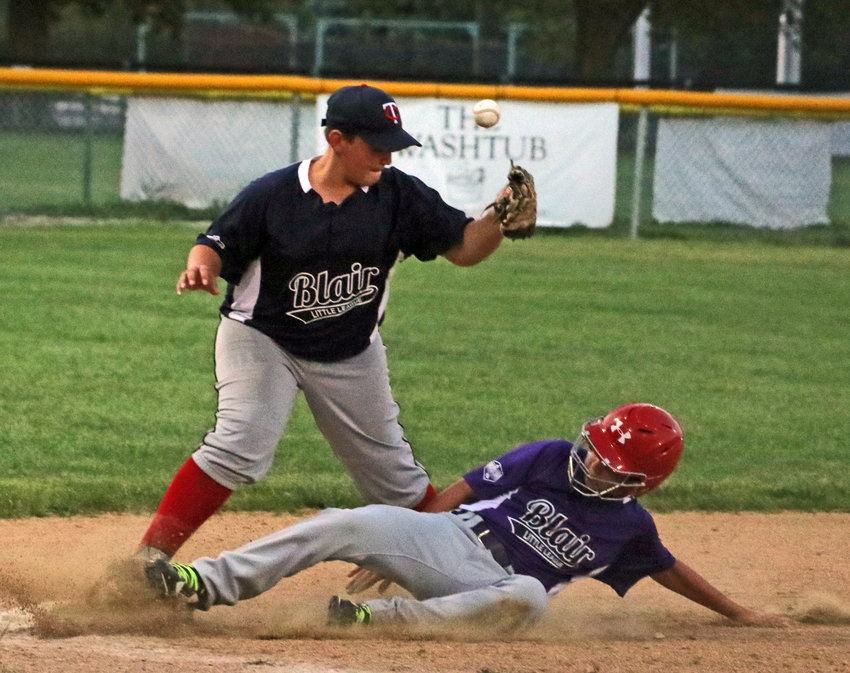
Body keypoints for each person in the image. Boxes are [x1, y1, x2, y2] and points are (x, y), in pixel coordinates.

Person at [136, 84, 526, 562]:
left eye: (393, 146)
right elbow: (215, 242)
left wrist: (498, 220)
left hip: (351, 350)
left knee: (395, 479)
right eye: (377, 146)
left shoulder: (398, 195)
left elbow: (464, 248)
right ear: (338, 139)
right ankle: (146, 561)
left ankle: (455, 565)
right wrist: (203, 265)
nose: (386, 157)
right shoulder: (276, 193)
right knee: (240, 443)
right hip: (263, 338)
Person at [142, 403, 789, 630]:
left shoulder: (631, 530)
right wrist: (397, 545)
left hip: (493, 590)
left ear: (641, 483)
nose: (590, 462)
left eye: (608, 463)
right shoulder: (549, 455)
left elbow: (674, 573)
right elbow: (457, 492)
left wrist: (743, 614)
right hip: (451, 539)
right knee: (348, 519)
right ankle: (202, 582)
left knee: (531, 595)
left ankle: (374, 624)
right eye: (594, 448)